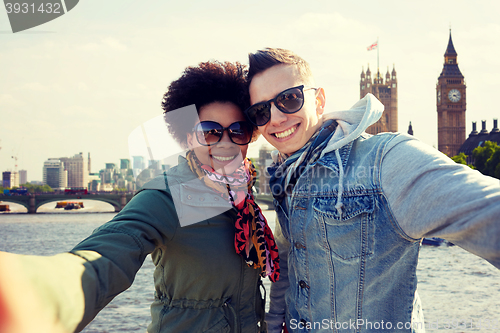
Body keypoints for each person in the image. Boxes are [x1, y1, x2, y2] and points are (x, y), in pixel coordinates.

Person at [0, 60, 279, 333]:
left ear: (250, 136)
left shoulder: (241, 195)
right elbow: (106, 256)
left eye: (238, 130)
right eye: (209, 132)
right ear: (188, 138)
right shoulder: (168, 195)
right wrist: (33, 294)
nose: (225, 143)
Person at [244, 48, 500, 333]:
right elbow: (289, 264)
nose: (276, 118)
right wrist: (274, 320)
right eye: (261, 111)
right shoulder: (287, 174)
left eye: (289, 99)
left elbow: (489, 210)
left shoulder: (385, 159)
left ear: (318, 101)